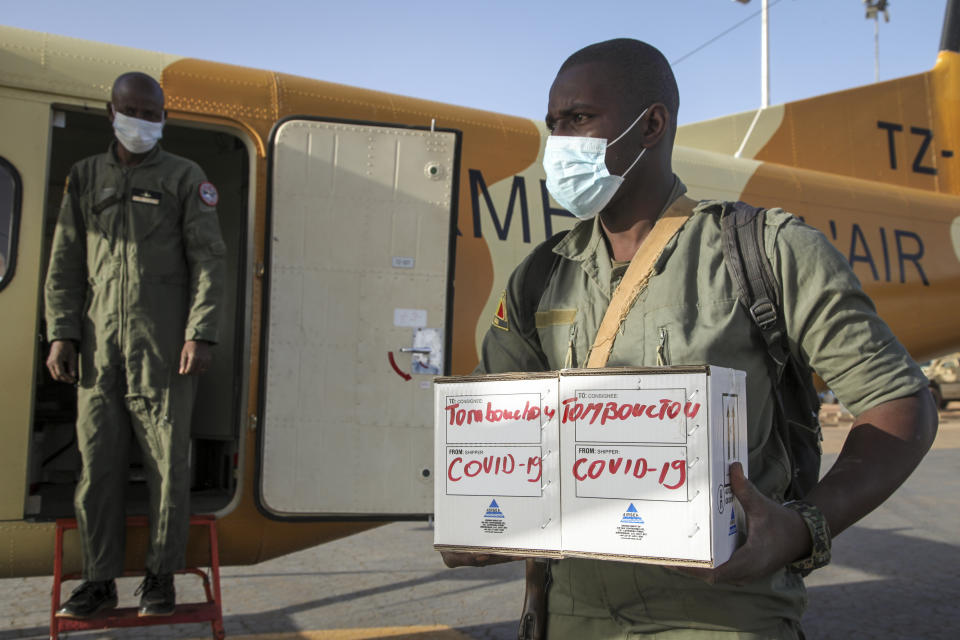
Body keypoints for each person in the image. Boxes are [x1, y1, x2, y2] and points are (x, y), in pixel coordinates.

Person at [442, 39, 938, 638]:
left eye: (579, 119)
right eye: (553, 125)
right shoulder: (540, 277)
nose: (560, 144)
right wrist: (473, 515)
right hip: (571, 616)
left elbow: (900, 403)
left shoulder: (767, 251)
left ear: (651, 124)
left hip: (722, 617)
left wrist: (804, 527)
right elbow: (496, 422)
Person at [45, 72, 225, 619]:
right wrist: (62, 332)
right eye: (134, 110)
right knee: (97, 465)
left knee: (168, 466)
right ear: (112, 111)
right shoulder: (85, 178)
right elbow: (65, 263)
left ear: (163, 116)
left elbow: (210, 261)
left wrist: (201, 331)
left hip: (164, 348)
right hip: (99, 350)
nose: (143, 122)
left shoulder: (184, 177)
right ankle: (97, 581)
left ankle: (160, 577)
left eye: (153, 113)